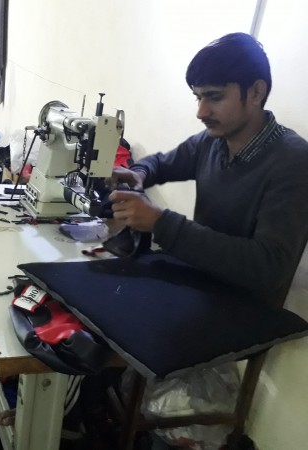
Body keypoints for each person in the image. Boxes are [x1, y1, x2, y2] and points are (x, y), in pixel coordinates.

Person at [109, 32, 308, 307]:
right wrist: (139, 173)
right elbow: (160, 164)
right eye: (198, 98)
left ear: (256, 92)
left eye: (214, 97)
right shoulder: (213, 140)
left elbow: (268, 267)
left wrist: (161, 223)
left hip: (243, 310)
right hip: (196, 283)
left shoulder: (294, 161)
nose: (201, 112)